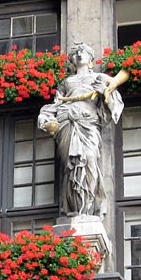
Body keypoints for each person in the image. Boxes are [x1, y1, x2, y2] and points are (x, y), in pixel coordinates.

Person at [38, 43, 125, 217]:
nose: (79, 54)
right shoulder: (66, 82)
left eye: (83, 52)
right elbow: (57, 104)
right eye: (75, 53)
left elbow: (112, 98)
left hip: (88, 124)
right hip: (67, 123)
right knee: (71, 166)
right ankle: (75, 208)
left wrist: (105, 93)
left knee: (90, 160)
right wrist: (47, 119)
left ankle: (89, 207)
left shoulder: (100, 77)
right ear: (71, 61)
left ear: (91, 60)